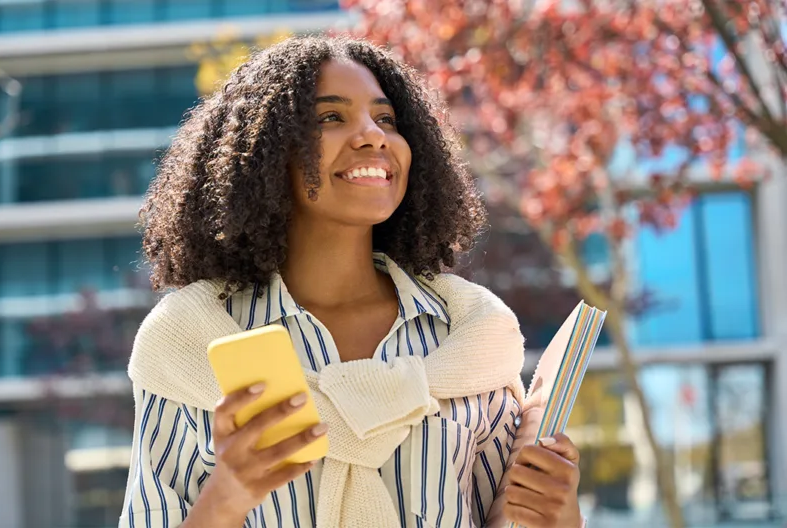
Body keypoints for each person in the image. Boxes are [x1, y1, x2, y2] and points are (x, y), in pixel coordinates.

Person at [121, 36, 585, 528]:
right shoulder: (190, 342)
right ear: (266, 152)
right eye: (330, 118)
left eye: (385, 119)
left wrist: (561, 515)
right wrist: (228, 496)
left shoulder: (470, 337)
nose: (372, 136)